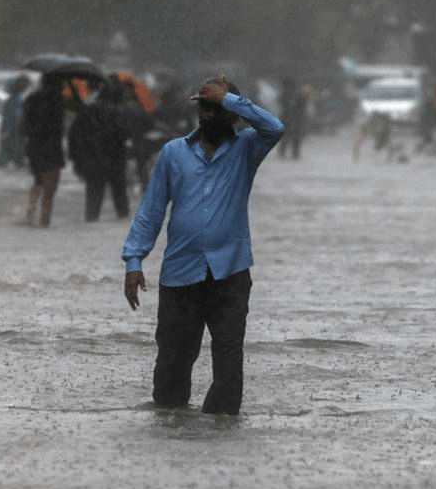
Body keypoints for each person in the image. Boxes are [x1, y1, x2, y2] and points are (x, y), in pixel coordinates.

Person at [122, 76, 284, 416]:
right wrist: (134, 260)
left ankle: (219, 436)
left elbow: (276, 128)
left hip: (231, 274)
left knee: (228, 366)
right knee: (172, 368)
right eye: (204, 107)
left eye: (215, 107)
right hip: (181, 275)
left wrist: (230, 100)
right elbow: (151, 211)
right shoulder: (173, 153)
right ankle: (174, 432)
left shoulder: (246, 149)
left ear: (232, 113)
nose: (207, 114)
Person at [68, 78, 131, 222]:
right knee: (119, 194)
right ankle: (122, 218)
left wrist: (76, 158)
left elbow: (74, 135)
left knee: (94, 195)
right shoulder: (119, 111)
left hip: (93, 158)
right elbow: (126, 133)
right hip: (116, 158)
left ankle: (91, 219)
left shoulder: (88, 110)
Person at [21, 73, 68, 227]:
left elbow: (23, 128)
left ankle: (30, 212)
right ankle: (44, 220)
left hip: (34, 147)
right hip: (52, 148)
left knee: (38, 181)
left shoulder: (31, 99)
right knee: (50, 188)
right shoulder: (58, 101)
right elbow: (61, 128)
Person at [0, 74, 31, 169]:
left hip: (13, 137)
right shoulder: (14, 101)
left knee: (2, 163)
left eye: (7, 86)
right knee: (17, 163)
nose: (5, 87)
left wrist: (7, 132)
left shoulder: (16, 101)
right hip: (13, 137)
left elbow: (15, 119)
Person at [277, 77, 306, 159]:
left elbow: (302, 106)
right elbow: (280, 103)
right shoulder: (285, 94)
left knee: (293, 136)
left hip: (293, 118)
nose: (286, 88)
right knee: (287, 136)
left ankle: (293, 153)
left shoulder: (297, 94)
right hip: (288, 117)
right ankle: (285, 152)